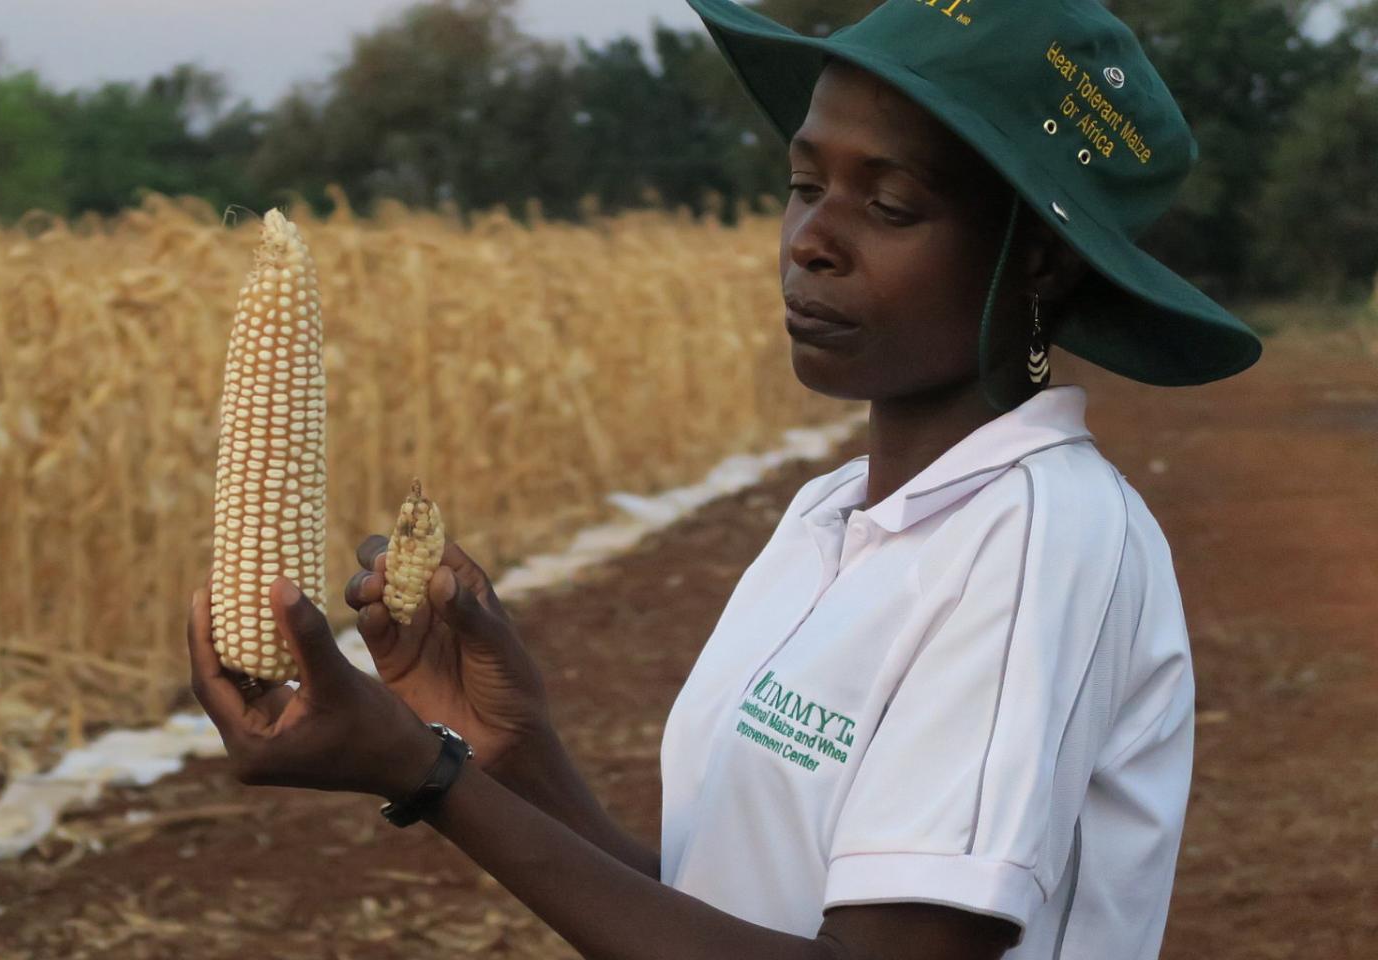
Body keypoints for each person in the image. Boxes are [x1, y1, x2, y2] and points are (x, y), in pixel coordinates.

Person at [184, 0, 1262, 957]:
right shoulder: (830, 519)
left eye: (888, 206)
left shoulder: (1040, 544)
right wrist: (506, 750)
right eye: (803, 185)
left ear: (1040, 260)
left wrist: (429, 779)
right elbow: (713, 914)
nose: (810, 242)